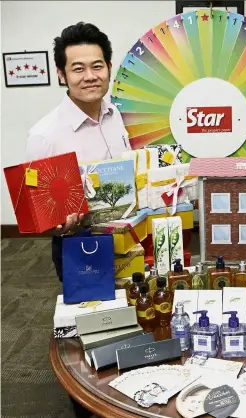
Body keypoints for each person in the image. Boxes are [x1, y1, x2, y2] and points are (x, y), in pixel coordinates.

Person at [25, 22, 131, 284]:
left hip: (128, 235)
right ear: (62, 74)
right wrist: (59, 223)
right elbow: (37, 213)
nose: (90, 76)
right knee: (92, 319)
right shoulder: (44, 135)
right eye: (78, 69)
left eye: (97, 66)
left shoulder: (114, 113)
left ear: (108, 67)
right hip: (80, 245)